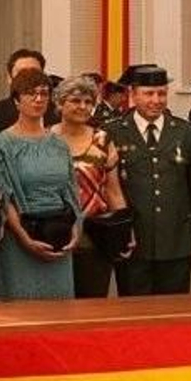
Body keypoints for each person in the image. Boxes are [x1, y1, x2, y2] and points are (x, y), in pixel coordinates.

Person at [104, 64, 191, 295]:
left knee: (174, 313)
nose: (156, 100)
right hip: (133, 242)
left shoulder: (186, 133)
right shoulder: (112, 132)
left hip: (176, 239)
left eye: (162, 93)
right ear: (133, 95)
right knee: (135, 316)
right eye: (149, 93)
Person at [0, 69, 79, 300]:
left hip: (59, 235)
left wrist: (76, 230)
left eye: (44, 94)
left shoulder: (59, 144)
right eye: (31, 94)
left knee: (59, 313)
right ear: (16, 100)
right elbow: (5, 198)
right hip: (21, 239)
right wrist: (25, 239)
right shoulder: (3, 144)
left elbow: (71, 191)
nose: (38, 99)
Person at [50, 75, 130, 298]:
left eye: (88, 102)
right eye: (75, 101)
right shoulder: (45, 139)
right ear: (59, 103)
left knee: (92, 306)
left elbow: (113, 190)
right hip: (55, 234)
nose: (83, 107)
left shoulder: (102, 140)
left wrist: (124, 229)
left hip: (95, 238)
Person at [0, 49, 60, 139]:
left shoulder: (59, 112)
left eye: (34, 72)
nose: (29, 78)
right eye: (22, 73)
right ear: (9, 78)